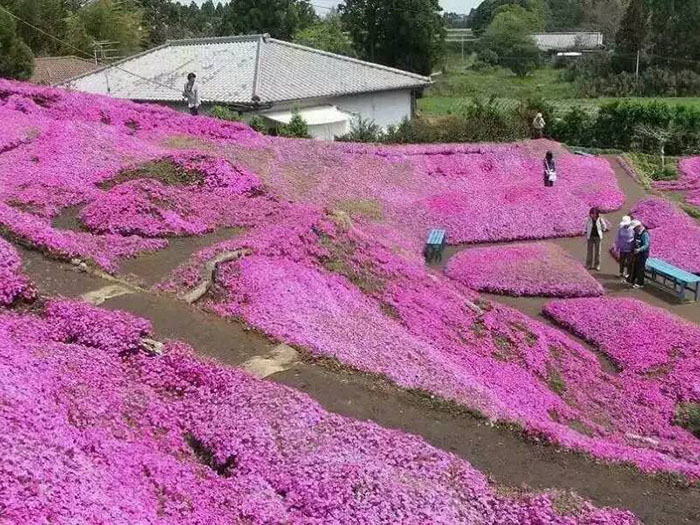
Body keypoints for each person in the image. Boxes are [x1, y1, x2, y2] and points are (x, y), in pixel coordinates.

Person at [628, 220, 651, 289]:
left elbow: (646, 245)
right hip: (636, 252)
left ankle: (640, 283)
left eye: (635, 228)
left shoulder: (645, 234)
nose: (634, 230)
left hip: (642, 254)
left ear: (638, 227)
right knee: (634, 266)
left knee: (640, 268)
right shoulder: (636, 233)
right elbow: (634, 240)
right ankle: (632, 280)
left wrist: (639, 249)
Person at [616, 215, 635, 279]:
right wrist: (617, 246)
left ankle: (628, 273)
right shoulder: (620, 229)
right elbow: (618, 238)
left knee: (629, 262)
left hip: (629, 248)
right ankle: (621, 272)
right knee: (622, 261)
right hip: (622, 248)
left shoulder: (632, 230)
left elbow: (634, 238)